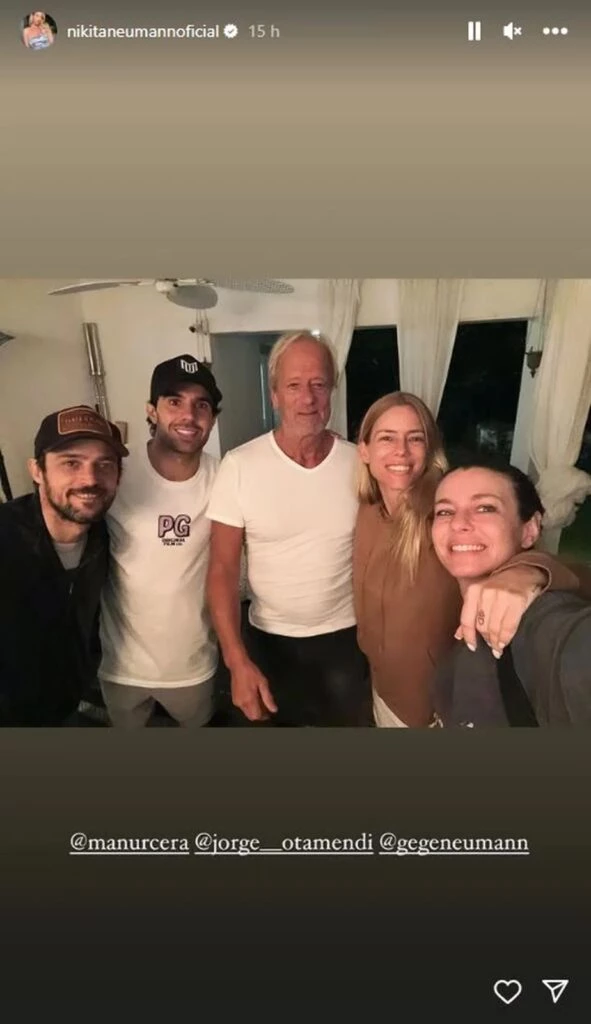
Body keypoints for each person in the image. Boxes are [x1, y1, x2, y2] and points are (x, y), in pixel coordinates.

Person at [353, 392, 587, 728]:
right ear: (364, 450)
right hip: (382, 690)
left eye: (415, 438)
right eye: (387, 438)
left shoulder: (441, 521)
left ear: (430, 449)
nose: (401, 450)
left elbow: (573, 584)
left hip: (432, 709)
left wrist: (528, 571)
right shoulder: (367, 512)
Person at [206, 331, 371, 726]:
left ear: (331, 392)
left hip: (347, 639)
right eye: (294, 385)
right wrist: (235, 660)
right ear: (275, 394)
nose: (307, 398)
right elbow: (222, 569)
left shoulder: (360, 464)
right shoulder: (239, 466)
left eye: (319, 384)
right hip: (268, 641)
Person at [99, 355, 221, 728]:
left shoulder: (224, 478)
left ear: (213, 417)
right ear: (151, 411)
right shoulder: (115, 470)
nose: (189, 416)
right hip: (121, 665)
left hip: (193, 665)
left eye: (201, 405)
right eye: (174, 402)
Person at [431, 460, 591, 726]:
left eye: (485, 508)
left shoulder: (545, 621)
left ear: (529, 530)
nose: (458, 523)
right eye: (445, 511)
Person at [0, 405, 127, 725]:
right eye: (71, 463)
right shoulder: (6, 537)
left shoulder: (108, 536)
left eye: (104, 464)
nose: (90, 479)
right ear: (37, 470)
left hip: (66, 701)